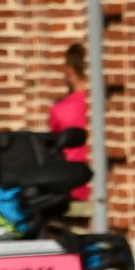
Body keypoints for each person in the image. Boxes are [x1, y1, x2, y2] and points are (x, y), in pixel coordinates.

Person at [47, 42, 90, 200]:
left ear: (70, 70)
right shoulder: (105, 103)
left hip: (74, 186)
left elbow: (54, 146)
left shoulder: (60, 109)